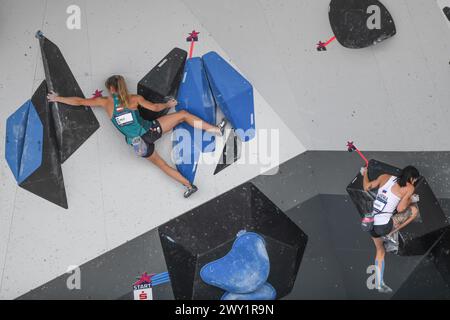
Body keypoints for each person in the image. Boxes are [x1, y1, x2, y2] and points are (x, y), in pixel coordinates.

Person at [47, 75, 226, 198]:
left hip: (138, 146)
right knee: (183, 115)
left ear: (110, 89)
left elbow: (79, 101)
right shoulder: (134, 99)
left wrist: (57, 98)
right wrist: (168, 103)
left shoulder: (105, 102)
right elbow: (156, 109)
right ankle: (215, 131)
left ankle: (189, 186)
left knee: (163, 165)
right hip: (150, 132)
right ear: (123, 86)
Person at [361, 165, 420, 293]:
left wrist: (365, 173)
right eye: (414, 180)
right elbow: (400, 209)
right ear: (411, 178)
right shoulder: (410, 187)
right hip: (384, 226)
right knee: (414, 211)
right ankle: (391, 233)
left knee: (380, 251)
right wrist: (411, 199)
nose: (414, 182)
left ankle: (379, 283)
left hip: (371, 225)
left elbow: (366, 187)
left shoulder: (384, 177)